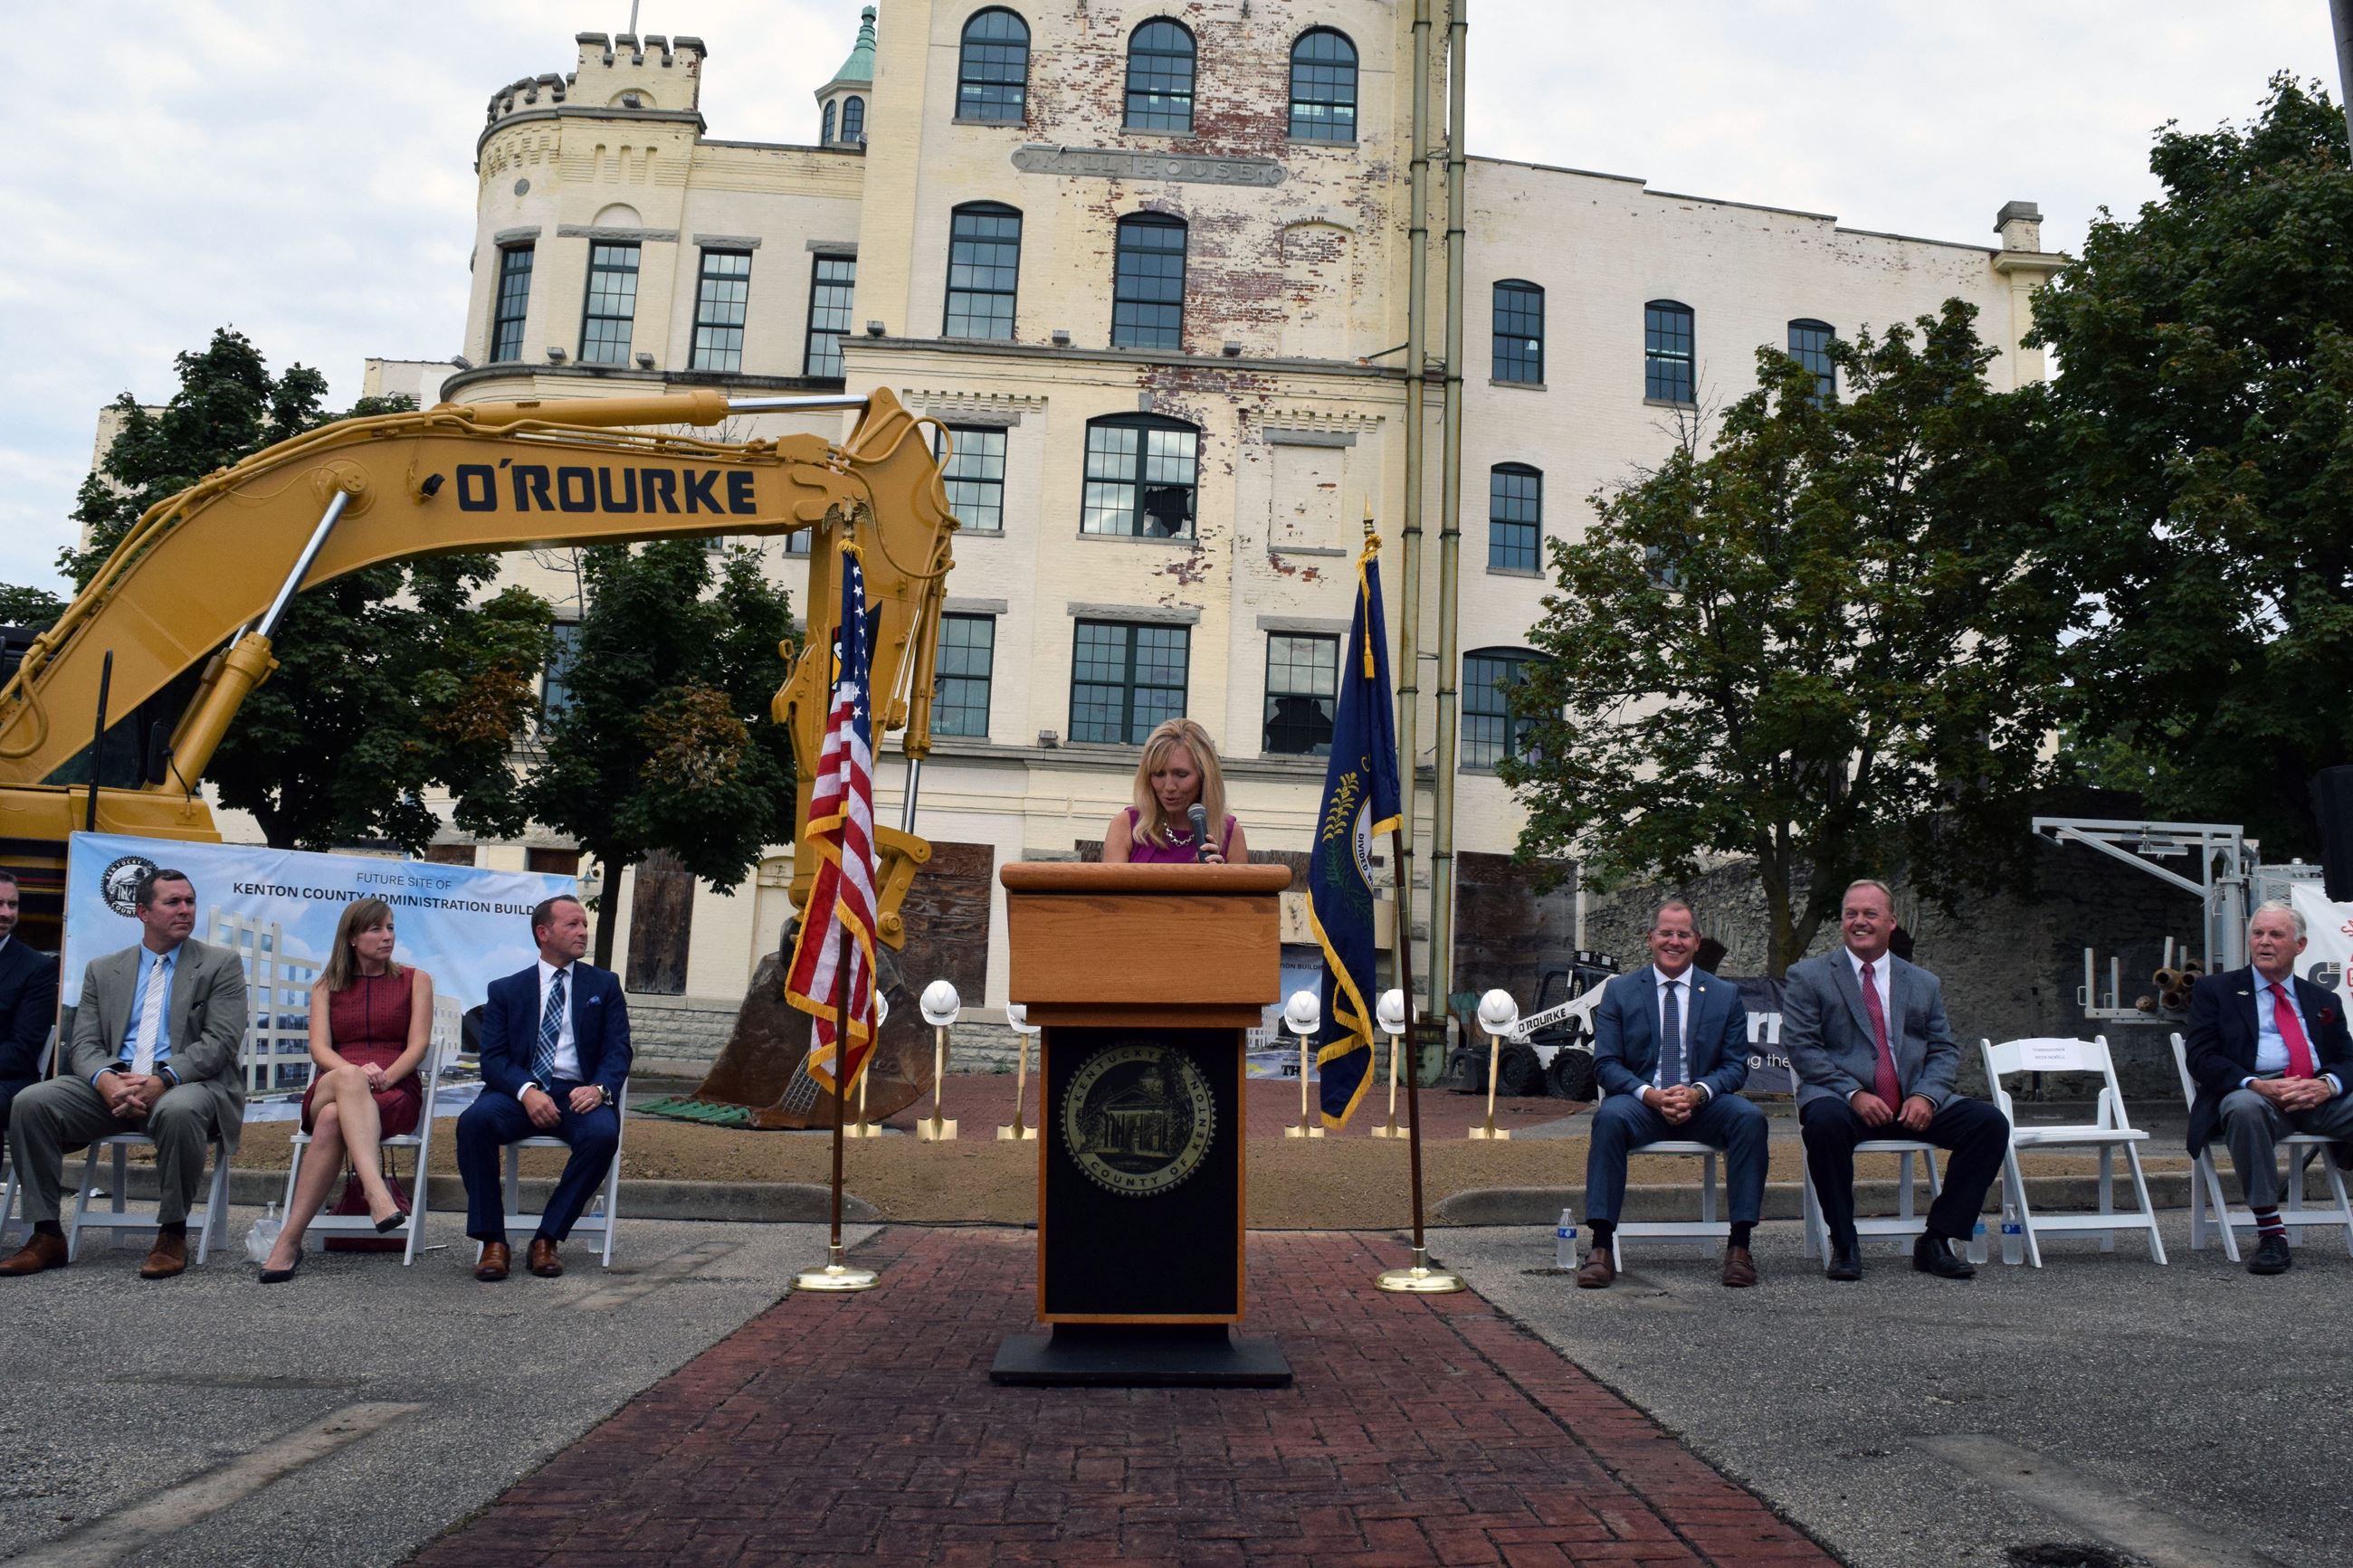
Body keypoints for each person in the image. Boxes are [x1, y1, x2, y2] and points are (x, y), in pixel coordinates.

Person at [2, 869, 246, 1279]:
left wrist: (163, 1080)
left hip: (186, 1085)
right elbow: (83, 1042)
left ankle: (172, 1233)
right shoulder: (104, 969)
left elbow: (220, 1042)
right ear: (143, 912)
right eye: (173, 902)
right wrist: (105, 1079)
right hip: (111, 1088)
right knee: (31, 1102)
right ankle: (46, 1234)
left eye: (189, 901)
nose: (185, 910)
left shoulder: (220, 964)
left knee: (179, 1111)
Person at [1783, 878, 2006, 1282]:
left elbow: (1943, 1049)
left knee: (1989, 1124)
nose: (1859, 922)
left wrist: (1926, 1096)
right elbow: (1803, 1049)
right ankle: (1845, 1242)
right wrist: (1853, 1093)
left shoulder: (1923, 982)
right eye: (1851, 914)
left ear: (1891, 922)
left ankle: (1937, 1240)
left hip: (1910, 1100)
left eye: (1870, 914)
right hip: (1840, 1096)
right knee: (1824, 1123)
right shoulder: (1808, 976)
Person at [1577, 898, 1767, 1288]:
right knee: (1609, 1118)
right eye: (1666, 933)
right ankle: (1600, 1246)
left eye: (1683, 934)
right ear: (1650, 938)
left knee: (1750, 1119)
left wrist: (1698, 1092)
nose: (1674, 942)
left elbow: (1736, 1067)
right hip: (1640, 1105)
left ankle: (1740, 1247)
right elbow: (1606, 1064)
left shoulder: (1723, 994)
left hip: (1703, 1106)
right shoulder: (1620, 991)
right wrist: (1648, 1094)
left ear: (1697, 942)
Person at [257, 897, 434, 1282]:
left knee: (335, 1118)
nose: (387, 936)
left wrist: (387, 1076)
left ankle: (288, 1242)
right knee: (347, 1084)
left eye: (390, 927)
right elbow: (320, 1049)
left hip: (393, 1093)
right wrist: (353, 1072)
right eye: (376, 929)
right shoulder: (326, 986)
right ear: (352, 938)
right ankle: (376, 1192)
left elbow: (417, 1045)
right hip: (333, 1083)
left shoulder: (416, 980)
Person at [456, 895, 628, 1281]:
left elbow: (618, 1050)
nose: (583, 931)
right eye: (572, 924)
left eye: (584, 924)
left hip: (576, 1093)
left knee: (602, 1134)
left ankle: (547, 1238)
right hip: (518, 1093)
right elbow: (494, 1059)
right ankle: (493, 1242)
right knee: (473, 1124)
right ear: (543, 932)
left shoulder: (605, 984)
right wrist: (527, 1091)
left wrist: (599, 1089)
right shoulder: (506, 990)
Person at [2181, 900, 2353, 1276]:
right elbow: (2201, 1057)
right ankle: (2271, 1232)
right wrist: (2256, 1084)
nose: (2264, 942)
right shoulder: (2217, 990)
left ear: (2300, 946)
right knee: (2243, 1107)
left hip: (2314, 1095)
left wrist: (2327, 1085)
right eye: (2258, 933)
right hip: (2257, 1094)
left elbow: (2347, 1059)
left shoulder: (2323, 1000)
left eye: (2276, 934)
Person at [1100, 717, 1250, 866]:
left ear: (1205, 776)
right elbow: (1111, 889)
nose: (1169, 786)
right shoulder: (1125, 826)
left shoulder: (1231, 835)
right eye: (1159, 774)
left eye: (1181, 775)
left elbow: (1242, 889)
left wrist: (1219, 881)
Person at [0, 869, 62, 1135]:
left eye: (12, 904)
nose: (6, 913)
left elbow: (23, 1050)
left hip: (8, 1079)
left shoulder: (37, 968)